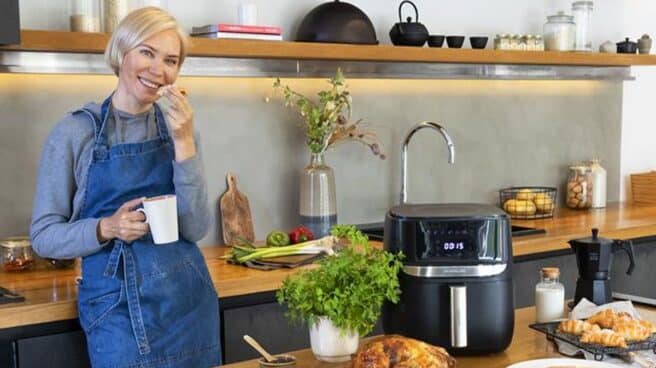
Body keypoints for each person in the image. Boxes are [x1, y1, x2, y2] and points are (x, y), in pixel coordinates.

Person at [29, 7, 221, 368]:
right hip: (115, 311)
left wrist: (184, 143)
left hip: (188, 307)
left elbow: (194, 227)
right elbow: (43, 235)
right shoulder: (76, 132)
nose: (158, 69)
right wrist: (106, 228)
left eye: (171, 60)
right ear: (122, 53)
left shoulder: (181, 128)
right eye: (147, 52)